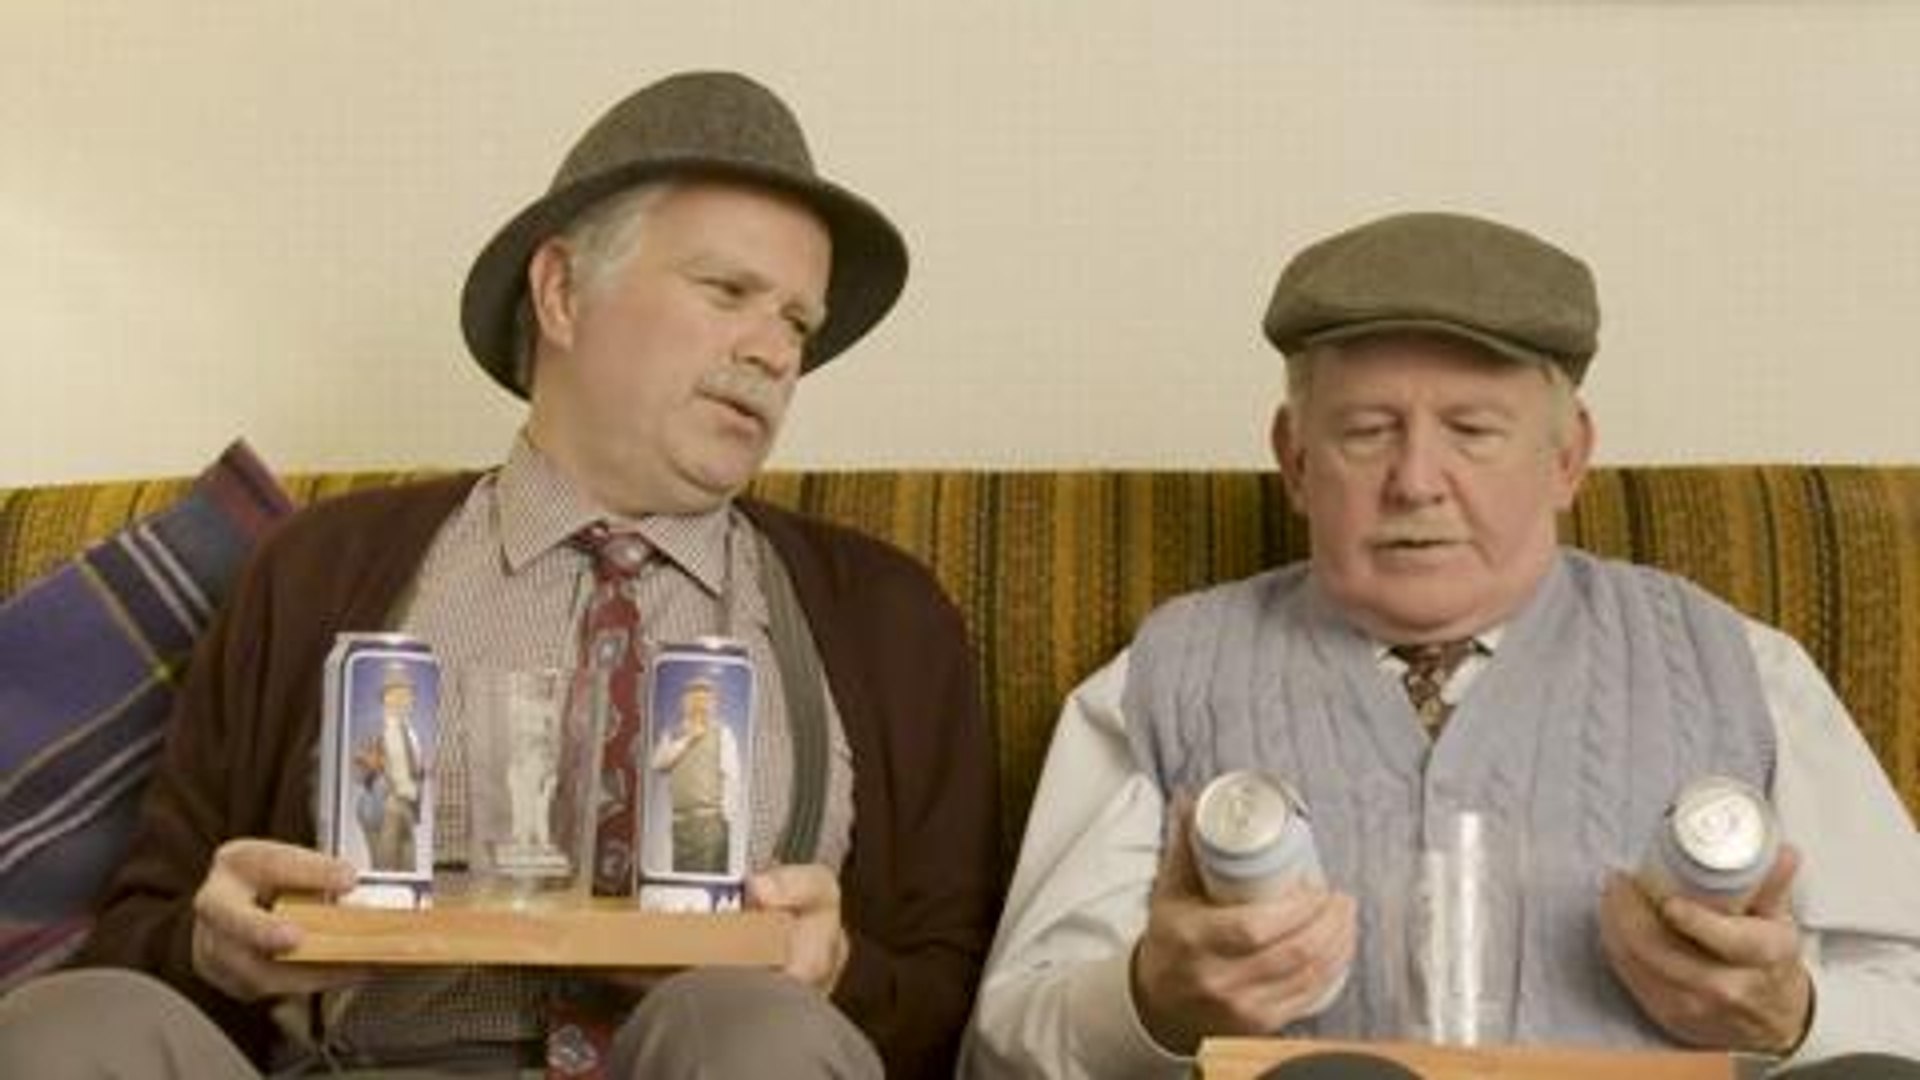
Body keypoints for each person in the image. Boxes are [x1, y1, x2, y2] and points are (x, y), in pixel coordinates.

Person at [0, 70, 998, 1079]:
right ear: (562, 292)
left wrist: (835, 972)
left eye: (798, 322)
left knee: (754, 1032)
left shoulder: (889, 615)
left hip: (717, 1065)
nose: (775, 352)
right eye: (728, 292)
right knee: (69, 1026)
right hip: (369, 1066)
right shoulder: (318, 568)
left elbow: (950, 995)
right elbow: (146, 928)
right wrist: (211, 943)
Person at [962, 211, 1920, 1078]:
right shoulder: (1160, 680)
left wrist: (1793, 1013)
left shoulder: (1744, 672)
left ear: (1568, 458)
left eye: (1472, 431)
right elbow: (1004, 1045)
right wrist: (1151, 1004)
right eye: (1367, 432)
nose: (1416, 480)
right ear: (1295, 459)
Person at [649, 677, 742, 874]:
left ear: (714, 703)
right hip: (681, 825)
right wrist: (688, 739)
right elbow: (657, 764)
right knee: (683, 879)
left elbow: (732, 778)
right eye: (693, 698)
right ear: (684, 703)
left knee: (710, 879)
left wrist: (724, 820)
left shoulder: (723, 732)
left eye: (705, 699)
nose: (699, 704)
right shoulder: (673, 734)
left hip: (710, 823)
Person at [355, 663, 427, 873]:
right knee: (385, 869)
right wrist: (372, 766)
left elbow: (416, 771)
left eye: (407, 695)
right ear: (385, 698)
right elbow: (358, 769)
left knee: (409, 867)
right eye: (396, 695)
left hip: (408, 807)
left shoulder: (412, 734)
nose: (403, 700)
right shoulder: (375, 730)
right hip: (385, 805)